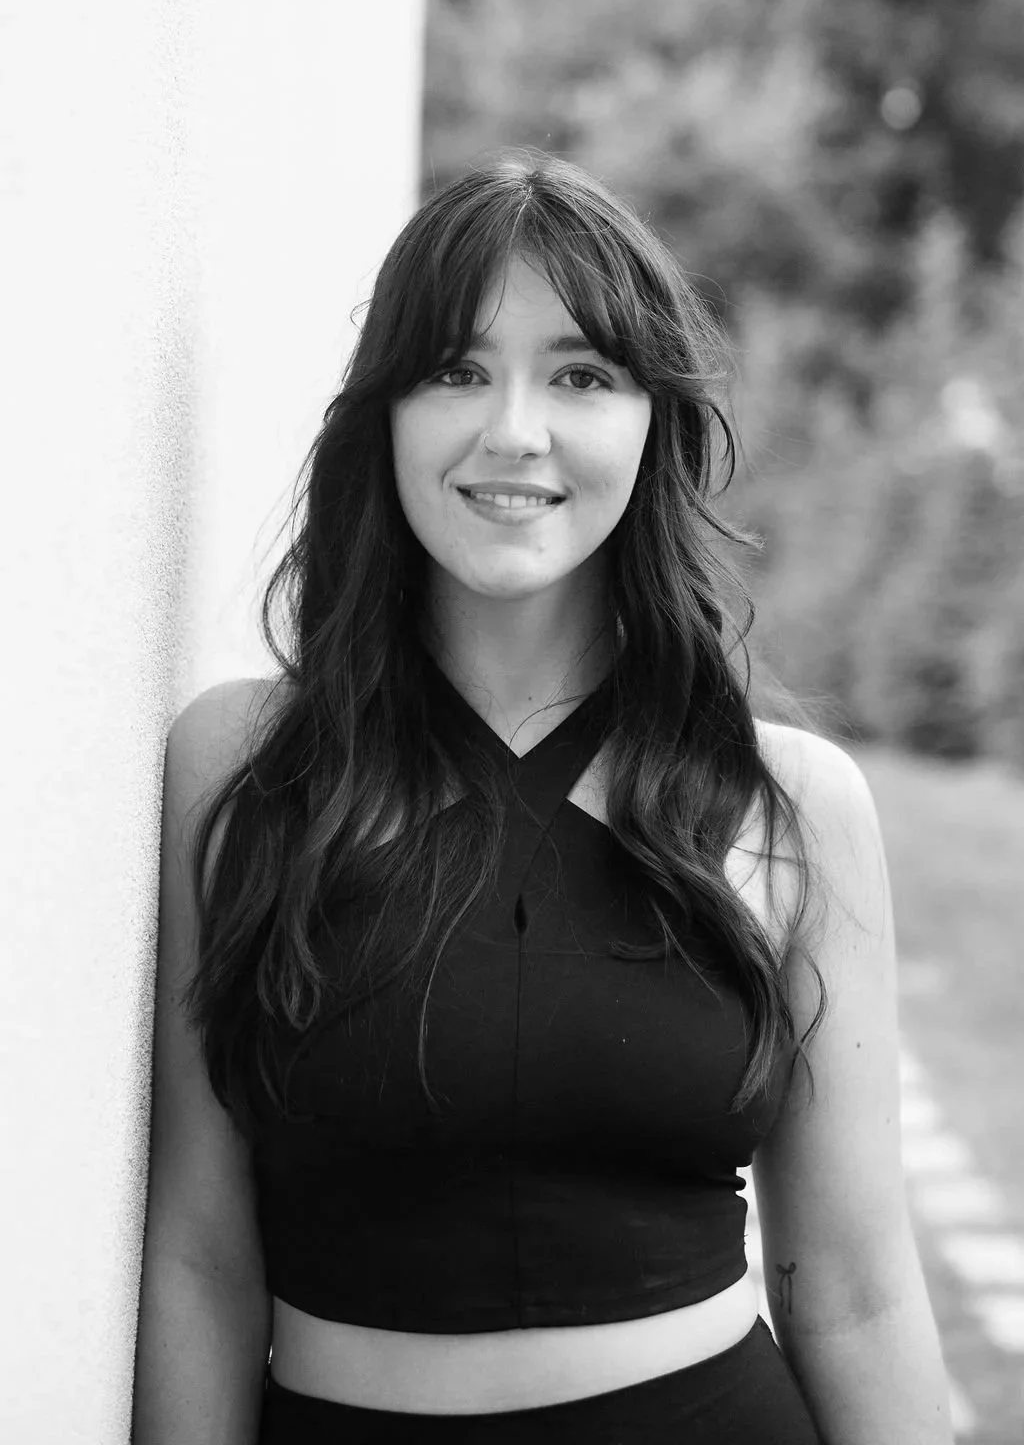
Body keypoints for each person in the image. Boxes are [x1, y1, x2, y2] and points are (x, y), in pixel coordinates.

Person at [132, 150, 954, 1444]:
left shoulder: (790, 804)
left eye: (579, 375)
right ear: (384, 414)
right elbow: (197, 1260)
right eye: (457, 369)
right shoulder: (241, 769)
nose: (513, 428)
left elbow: (852, 1290)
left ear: (650, 420)